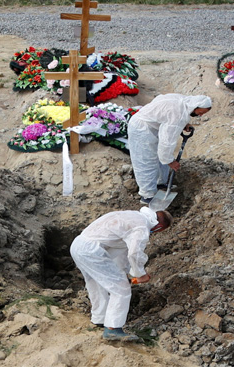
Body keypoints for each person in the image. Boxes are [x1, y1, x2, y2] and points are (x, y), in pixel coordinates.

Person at [70, 207, 173, 341]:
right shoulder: (142, 227)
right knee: (121, 289)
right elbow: (135, 253)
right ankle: (113, 329)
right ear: (159, 226)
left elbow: (122, 252)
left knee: (96, 283)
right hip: (92, 251)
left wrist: (123, 273)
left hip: (78, 245)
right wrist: (140, 274)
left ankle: (99, 318)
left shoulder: (131, 215)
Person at [128, 93, 212, 204]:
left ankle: (161, 183)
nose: (200, 115)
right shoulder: (178, 116)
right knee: (146, 161)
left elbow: (166, 109)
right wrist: (170, 161)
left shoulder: (182, 101)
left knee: (161, 157)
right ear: (194, 107)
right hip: (141, 128)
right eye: (200, 112)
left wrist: (185, 123)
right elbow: (167, 143)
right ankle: (147, 195)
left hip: (152, 125)